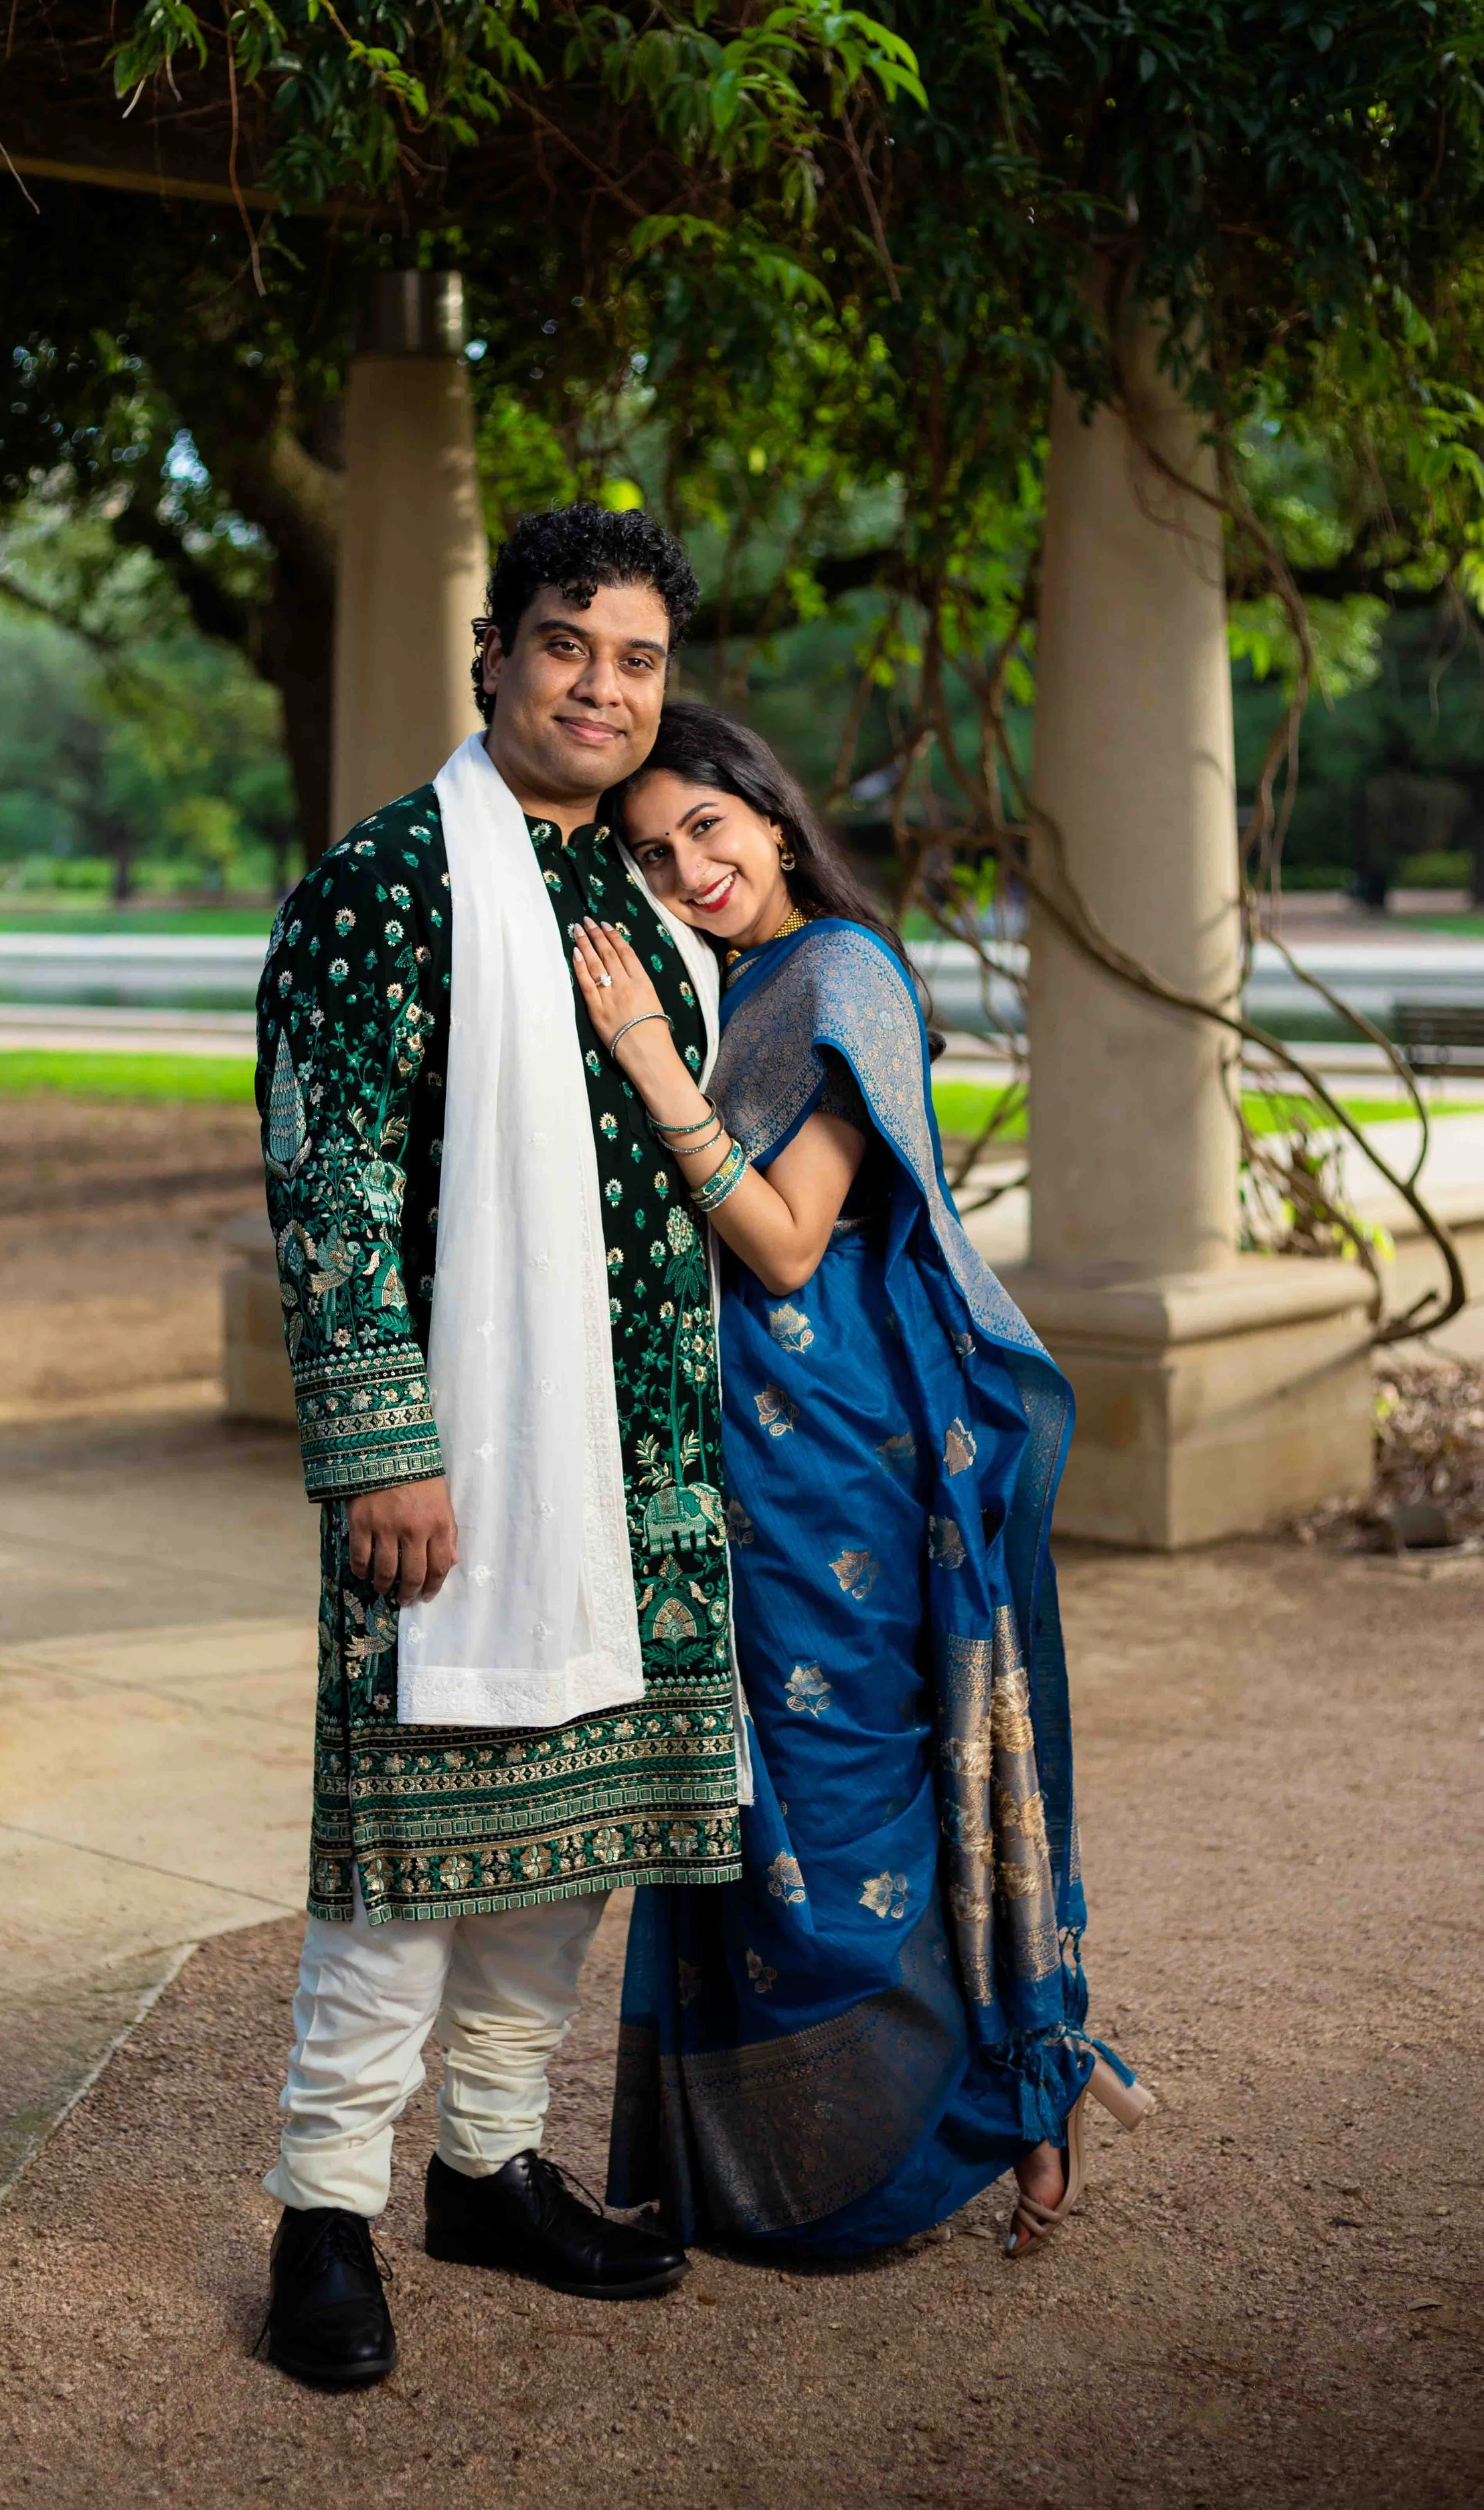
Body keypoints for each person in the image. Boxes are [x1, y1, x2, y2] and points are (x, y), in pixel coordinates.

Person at [254, 510, 744, 2388]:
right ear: (490, 653)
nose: (601, 685)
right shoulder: (395, 878)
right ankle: (321, 2209)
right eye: (565, 644)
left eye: (634, 659)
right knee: (412, 1848)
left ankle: (484, 2164)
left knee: (565, 1846)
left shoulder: (633, 900)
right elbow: (332, 1170)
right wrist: (382, 1439)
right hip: (452, 1458)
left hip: (632, 1466)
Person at [570, 702, 1152, 2261]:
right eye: (651, 848)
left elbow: (779, 1241)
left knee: (839, 1791)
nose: (688, 865)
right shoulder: (724, 979)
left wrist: (640, 1055)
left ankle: (986, 2107)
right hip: (725, 1445)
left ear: (770, 813)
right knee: (738, 1793)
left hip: (834, 1442)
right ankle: (778, 2154)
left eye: (709, 825)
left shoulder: (841, 972)